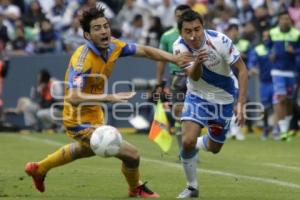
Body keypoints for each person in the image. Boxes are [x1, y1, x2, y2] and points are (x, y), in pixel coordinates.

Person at [24, 7, 191, 198]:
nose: (104, 31)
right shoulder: (82, 60)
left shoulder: (113, 46)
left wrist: (174, 58)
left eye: (105, 26)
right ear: (87, 34)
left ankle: (39, 168)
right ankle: (135, 187)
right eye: (97, 28)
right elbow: (72, 97)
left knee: (84, 151)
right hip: (77, 118)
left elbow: (144, 50)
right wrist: (108, 97)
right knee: (132, 154)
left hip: (95, 113)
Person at [173, 10, 248, 198]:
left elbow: (243, 70)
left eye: (197, 29)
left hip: (224, 98)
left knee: (215, 148)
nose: (193, 35)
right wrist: (198, 60)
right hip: (197, 96)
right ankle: (192, 187)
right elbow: (194, 75)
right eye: (188, 31)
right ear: (181, 32)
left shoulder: (220, 41)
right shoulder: (179, 47)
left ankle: (194, 144)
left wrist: (241, 104)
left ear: (203, 26)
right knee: (187, 140)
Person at [156, 4, 191, 160]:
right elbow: (161, 59)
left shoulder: (195, 36)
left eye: (182, 15)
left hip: (193, 78)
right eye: (177, 15)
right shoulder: (167, 36)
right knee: (178, 113)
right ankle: (183, 151)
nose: (179, 18)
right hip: (176, 78)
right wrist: (159, 81)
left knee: (194, 114)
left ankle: (190, 147)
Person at [268, 11, 300, 141]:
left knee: (289, 101)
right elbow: (268, 47)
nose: (285, 21)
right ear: (279, 20)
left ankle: (285, 129)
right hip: (277, 70)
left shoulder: (296, 34)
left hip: (291, 72)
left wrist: (295, 51)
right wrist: (271, 54)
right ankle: (281, 130)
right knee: (281, 98)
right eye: (282, 19)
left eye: (287, 19)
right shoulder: (273, 33)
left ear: (290, 21)